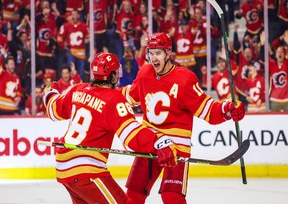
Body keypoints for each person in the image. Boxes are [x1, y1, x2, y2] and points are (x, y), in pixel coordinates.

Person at [120, 32, 245, 203]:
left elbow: (208, 110)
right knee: (133, 194)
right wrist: (104, 95)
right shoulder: (144, 73)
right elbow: (128, 97)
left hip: (176, 147)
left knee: (171, 197)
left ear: (168, 54)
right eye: (151, 53)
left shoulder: (184, 79)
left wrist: (228, 110)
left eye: (158, 53)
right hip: (150, 141)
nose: (153, 57)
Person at [42, 52, 178, 204]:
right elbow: (131, 135)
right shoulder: (113, 99)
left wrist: (50, 94)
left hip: (64, 168)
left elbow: (54, 111)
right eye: (116, 73)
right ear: (112, 76)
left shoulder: (78, 90)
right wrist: (158, 142)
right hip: (86, 169)